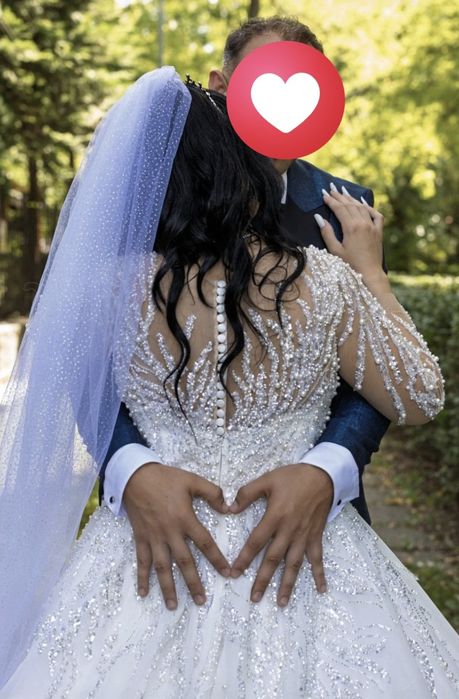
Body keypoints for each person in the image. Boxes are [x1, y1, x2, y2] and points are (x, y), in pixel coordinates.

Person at [1, 66, 458, 698]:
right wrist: (371, 274)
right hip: (300, 561)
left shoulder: (107, 291)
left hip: (147, 558)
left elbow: (59, 381)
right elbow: (419, 395)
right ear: (242, 171)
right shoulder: (323, 282)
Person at [99, 17, 391, 608]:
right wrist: (129, 468)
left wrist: (329, 467)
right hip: (158, 515)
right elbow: (83, 357)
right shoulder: (148, 195)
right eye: (262, 81)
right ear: (220, 86)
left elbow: (378, 360)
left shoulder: (346, 207)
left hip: (310, 523)